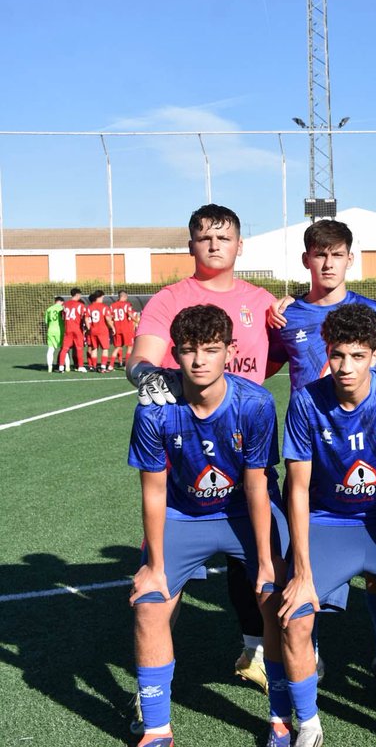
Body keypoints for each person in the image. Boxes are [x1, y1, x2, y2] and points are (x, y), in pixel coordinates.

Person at [126, 203, 280, 692]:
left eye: (223, 237)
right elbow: (141, 361)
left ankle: (258, 653)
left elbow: (273, 362)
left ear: (239, 245)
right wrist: (151, 380)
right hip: (187, 450)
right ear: (191, 244)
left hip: (245, 444)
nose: (214, 245)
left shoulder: (261, 300)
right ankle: (153, 689)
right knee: (160, 583)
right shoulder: (170, 298)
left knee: (258, 565)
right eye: (203, 237)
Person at [127, 305, 289, 747]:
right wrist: (155, 565)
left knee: (273, 599)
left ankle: (279, 716)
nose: (199, 360)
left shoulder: (254, 404)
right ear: (174, 355)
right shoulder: (153, 410)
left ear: (230, 351)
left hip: (242, 511)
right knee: (149, 602)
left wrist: (266, 561)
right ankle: (157, 728)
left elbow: (258, 487)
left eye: (211, 350)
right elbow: (154, 492)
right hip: (184, 515)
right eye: (189, 350)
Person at [267, 218, 376, 698]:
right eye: (318, 254)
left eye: (337, 254)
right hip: (312, 457)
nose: (327, 263)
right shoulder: (286, 318)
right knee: (301, 567)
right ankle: (313, 652)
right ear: (306, 260)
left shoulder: (371, 312)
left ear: (351, 258)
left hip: (367, 457)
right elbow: (257, 363)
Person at [278, 303, 376, 747]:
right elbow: (299, 491)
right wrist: (302, 572)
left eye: (357, 356)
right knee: (294, 617)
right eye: (337, 354)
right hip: (328, 522)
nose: (345, 366)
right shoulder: (307, 400)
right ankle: (307, 724)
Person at [85, 290, 114, 373]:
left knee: (94, 348)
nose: (103, 299)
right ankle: (103, 367)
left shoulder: (89, 307)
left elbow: (86, 319)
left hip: (93, 330)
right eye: (103, 297)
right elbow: (108, 319)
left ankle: (93, 366)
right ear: (100, 297)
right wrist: (112, 327)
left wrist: (89, 328)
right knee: (105, 348)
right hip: (102, 330)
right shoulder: (104, 307)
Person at [59, 288, 87, 373]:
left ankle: (61, 367)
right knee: (79, 348)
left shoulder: (65, 304)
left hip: (68, 329)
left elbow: (62, 316)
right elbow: (85, 317)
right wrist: (87, 328)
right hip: (77, 329)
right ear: (78, 295)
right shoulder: (80, 305)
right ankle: (80, 366)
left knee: (64, 348)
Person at [110, 290, 138, 369]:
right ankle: (126, 365)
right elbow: (130, 314)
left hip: (117, 328)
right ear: (125, 297)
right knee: (129, 347)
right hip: (127, 329)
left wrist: (112, 328)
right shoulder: (127, 305)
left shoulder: (112, 305)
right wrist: (137, 321)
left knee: (117, 347)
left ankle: (110, 365)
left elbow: (110, 318)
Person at [44, 296, 65, 373]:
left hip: (51, 331)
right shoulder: (63, 308)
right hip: (61, 331)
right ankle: (67, 367)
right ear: (62, 302)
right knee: (64, 349)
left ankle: (50, 367)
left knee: (50, 349)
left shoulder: (49, 309)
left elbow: (46, 322)